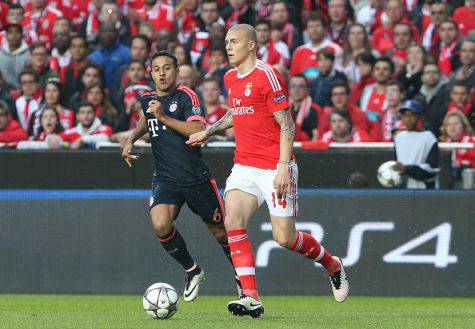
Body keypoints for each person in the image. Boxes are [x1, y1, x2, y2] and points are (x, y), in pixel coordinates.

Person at [187, 24, 349, 318]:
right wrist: (208, 131)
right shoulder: (230, 77)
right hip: (244, 165)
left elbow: (287, 126)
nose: (228, 46)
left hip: (275, 165)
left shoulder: (267, 76)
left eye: (234, 41)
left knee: (284, 238)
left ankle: (332, 264)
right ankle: (250, 296)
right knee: (232, 219)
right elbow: (236, 112)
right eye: (226, 42)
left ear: (251, 45)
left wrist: (283, 168)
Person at [120, 51, 240, 304]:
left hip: (196, 178)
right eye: (156, 69)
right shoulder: (148, 99)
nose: (161, 73)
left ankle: (243, 279)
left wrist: (164, 116)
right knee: (160, 223)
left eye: (167, 68)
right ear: (151, 73)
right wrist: (131, 138)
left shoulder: (186, 97)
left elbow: (199, 130)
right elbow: (147, 118)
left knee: (221, 233)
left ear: (176, 72)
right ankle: (193, 271)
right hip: (166, 178)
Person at [393, 100, 440, 189]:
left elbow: (433, 169)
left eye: (412, 115)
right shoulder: (398, 137)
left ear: (419, 117)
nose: (408, 119)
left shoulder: (428, 137)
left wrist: (407, 169)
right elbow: (397, 164)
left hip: (424, 188)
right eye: (405, 116)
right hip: (402, 187)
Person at [290, 12, 343, 82]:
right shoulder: (299, 51)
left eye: (317, 26)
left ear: (324, 28)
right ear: (306, 30)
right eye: (311, 26)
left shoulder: (335, 49)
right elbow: (293, 76)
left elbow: (338, 75)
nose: (314, 29)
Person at [288, 74, 319, 141]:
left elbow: (316, 136)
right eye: (293, 86)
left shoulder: (313, 110)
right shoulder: (284, 109)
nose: (297, 90)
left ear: (307, 89)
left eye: (301, 86)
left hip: (306, 149)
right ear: (289, 90)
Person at [0, 23, 29, 89]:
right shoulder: (1, 54)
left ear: (22, 35)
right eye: (10, 32)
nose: (13, 35)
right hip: (3, 93)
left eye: (17, 32)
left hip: (24, 92)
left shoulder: (29, 54)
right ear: (6, 35)